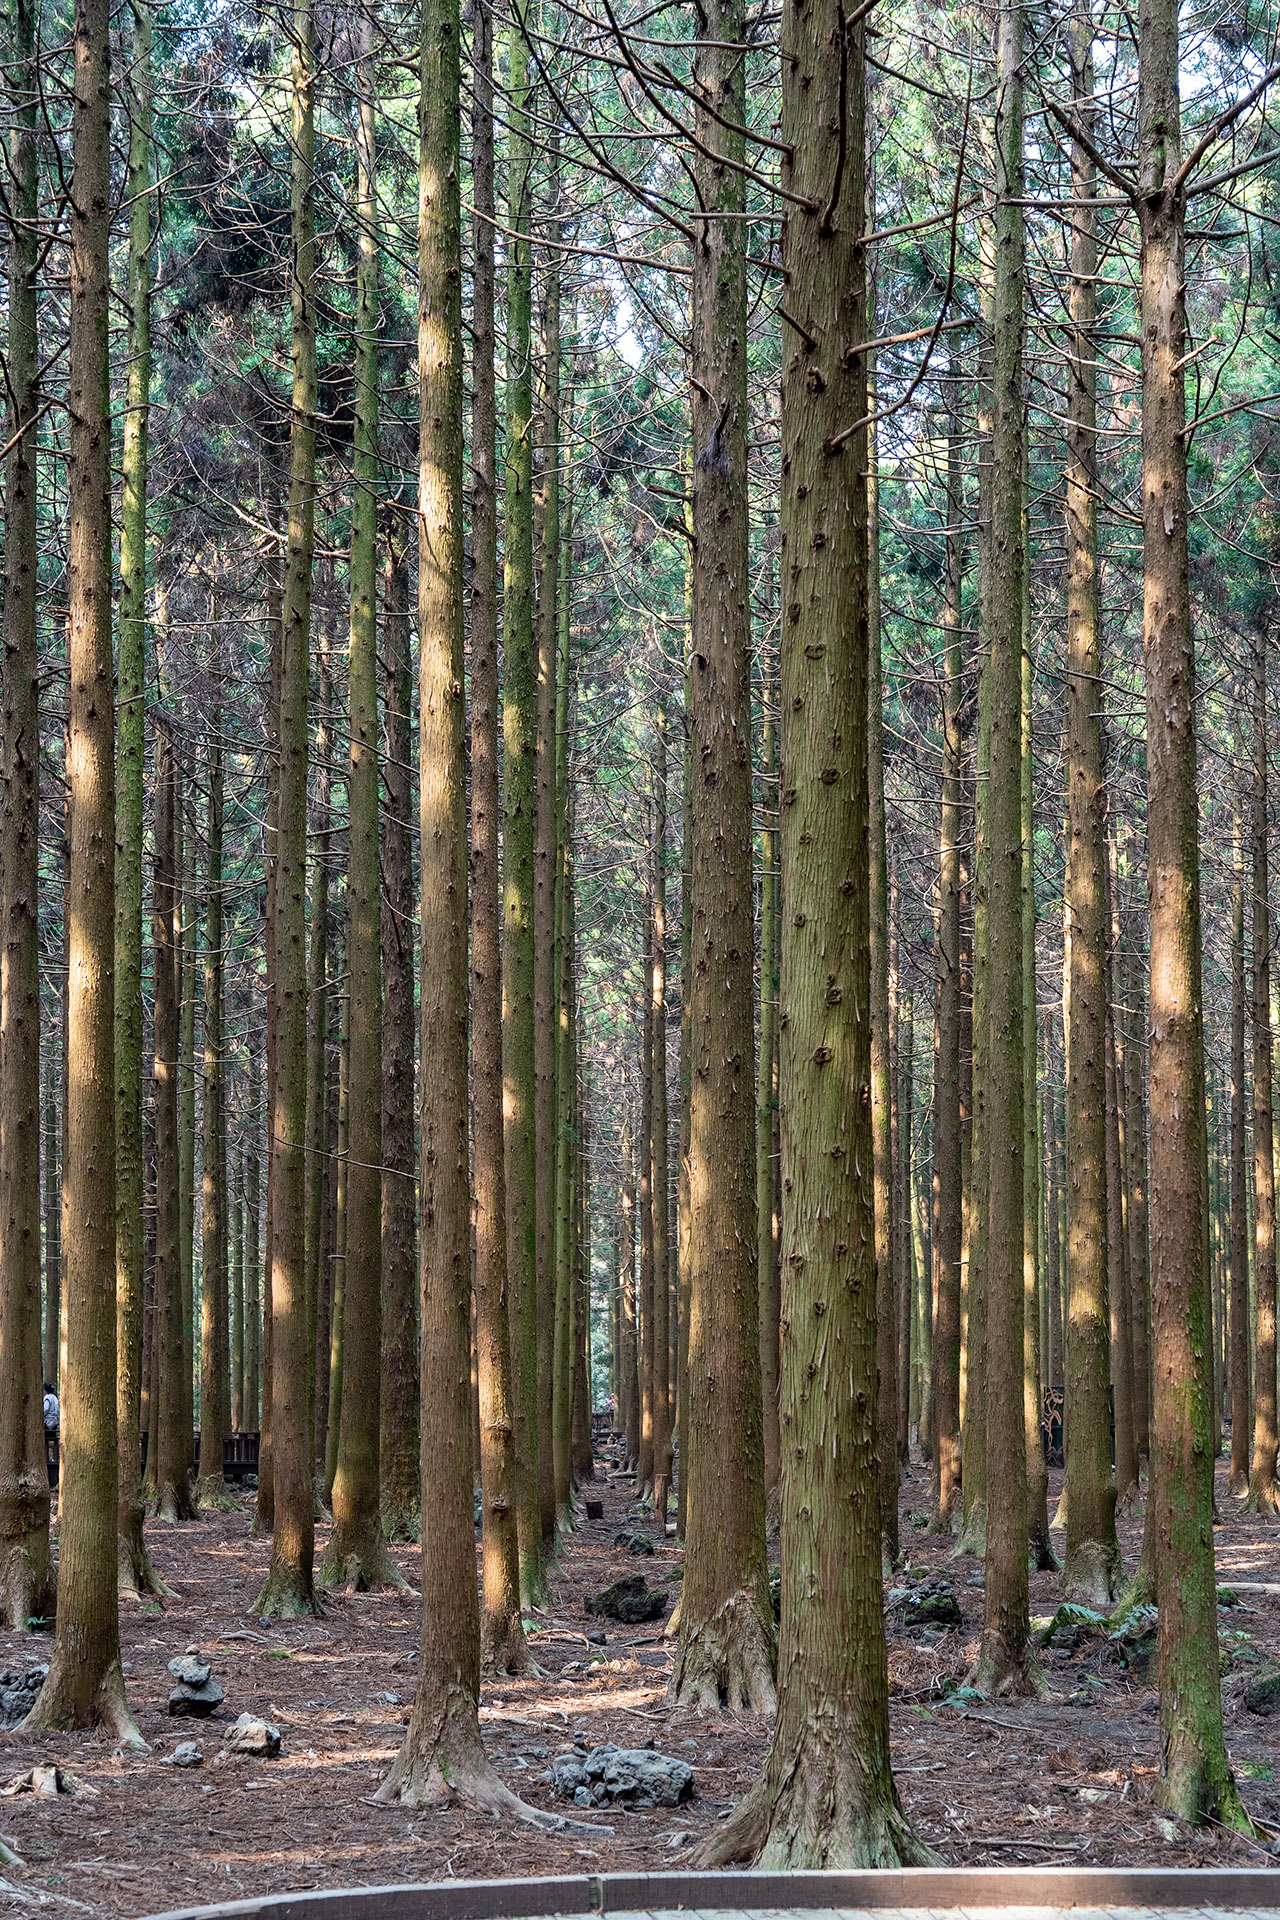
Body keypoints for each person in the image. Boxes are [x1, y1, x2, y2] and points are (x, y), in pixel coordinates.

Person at [43, 1381, 59, 1489]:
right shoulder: (55, 1398)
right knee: (53, 1442)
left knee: (47, 1440)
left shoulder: (47, 1398)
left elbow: (45, 1409)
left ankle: (49, 1458)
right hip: (54, 1422)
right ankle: (53, 1457)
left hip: (47, 1422)